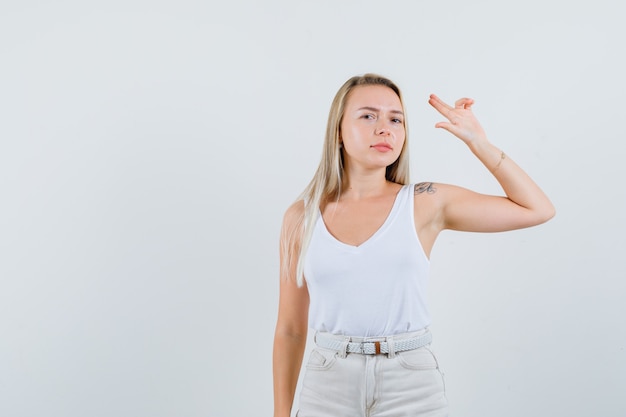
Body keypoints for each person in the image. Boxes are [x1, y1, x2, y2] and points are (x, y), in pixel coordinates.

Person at [272, 73, 555, 417]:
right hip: (328, 384)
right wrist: (280, 413)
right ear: (338, 132)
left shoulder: (424, 202)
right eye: (368, 116)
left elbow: (537, 209)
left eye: (396, 119)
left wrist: (478, 142)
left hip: (410, 382)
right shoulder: (300, 218)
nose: (384, 128)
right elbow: (290, 329)